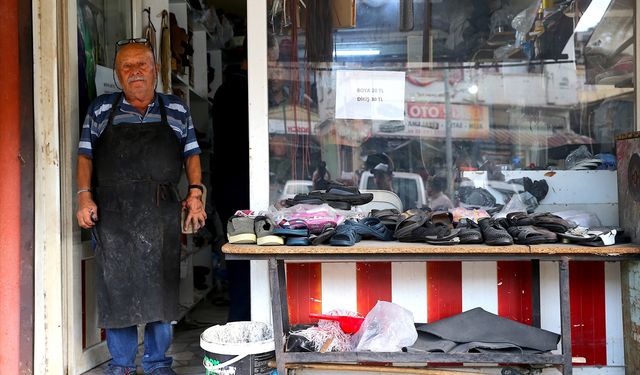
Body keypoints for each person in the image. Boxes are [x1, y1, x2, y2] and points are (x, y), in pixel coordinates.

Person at [75, 39, 206, 375]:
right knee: (116, 288)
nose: (135, 72)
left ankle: (158, 363)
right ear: (118, 74)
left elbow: (191, 153)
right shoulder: (102, 109)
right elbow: (85, 154)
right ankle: (120, 366)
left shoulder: (175, 109)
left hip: (160, 210)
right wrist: (83, 196)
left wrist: (195, 192)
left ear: (156, 70)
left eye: (141, 65)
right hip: (113, 213)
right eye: (126, 67)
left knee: (161, 288)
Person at [211, 36, 251, 322]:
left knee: (242, 258)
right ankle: (242, 324)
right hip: (239, 187)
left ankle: (243, 319)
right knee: (244, 257)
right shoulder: (241, 90)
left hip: (230, 185)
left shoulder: (227, 89)